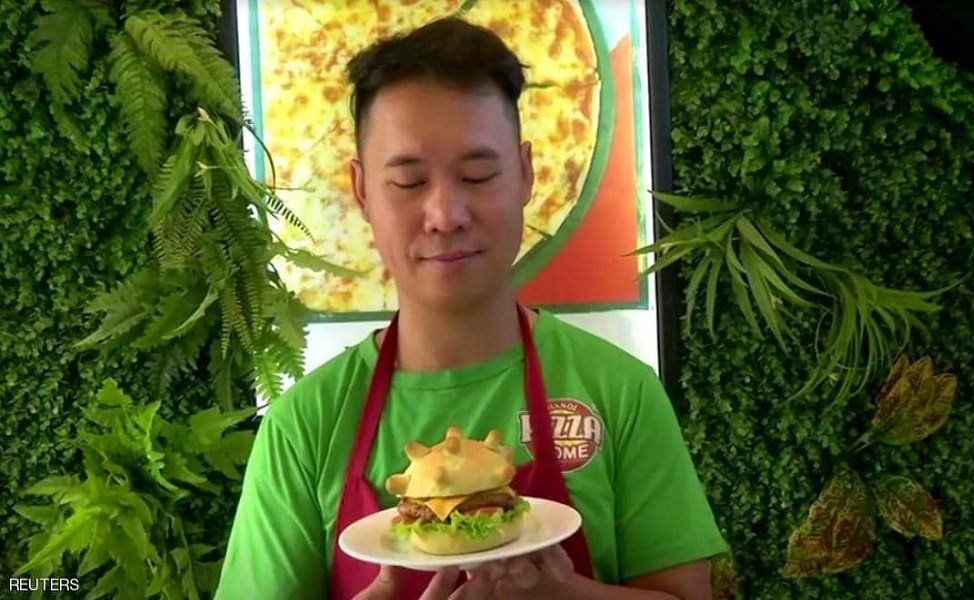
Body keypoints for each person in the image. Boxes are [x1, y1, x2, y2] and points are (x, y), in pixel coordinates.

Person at [215, 17, 727, 600]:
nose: (446, 215)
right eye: (409, 182)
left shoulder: (619, 393)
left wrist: (566, 595)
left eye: (477, 175)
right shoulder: (304, 427)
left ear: (526, 174)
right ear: (362, 191)